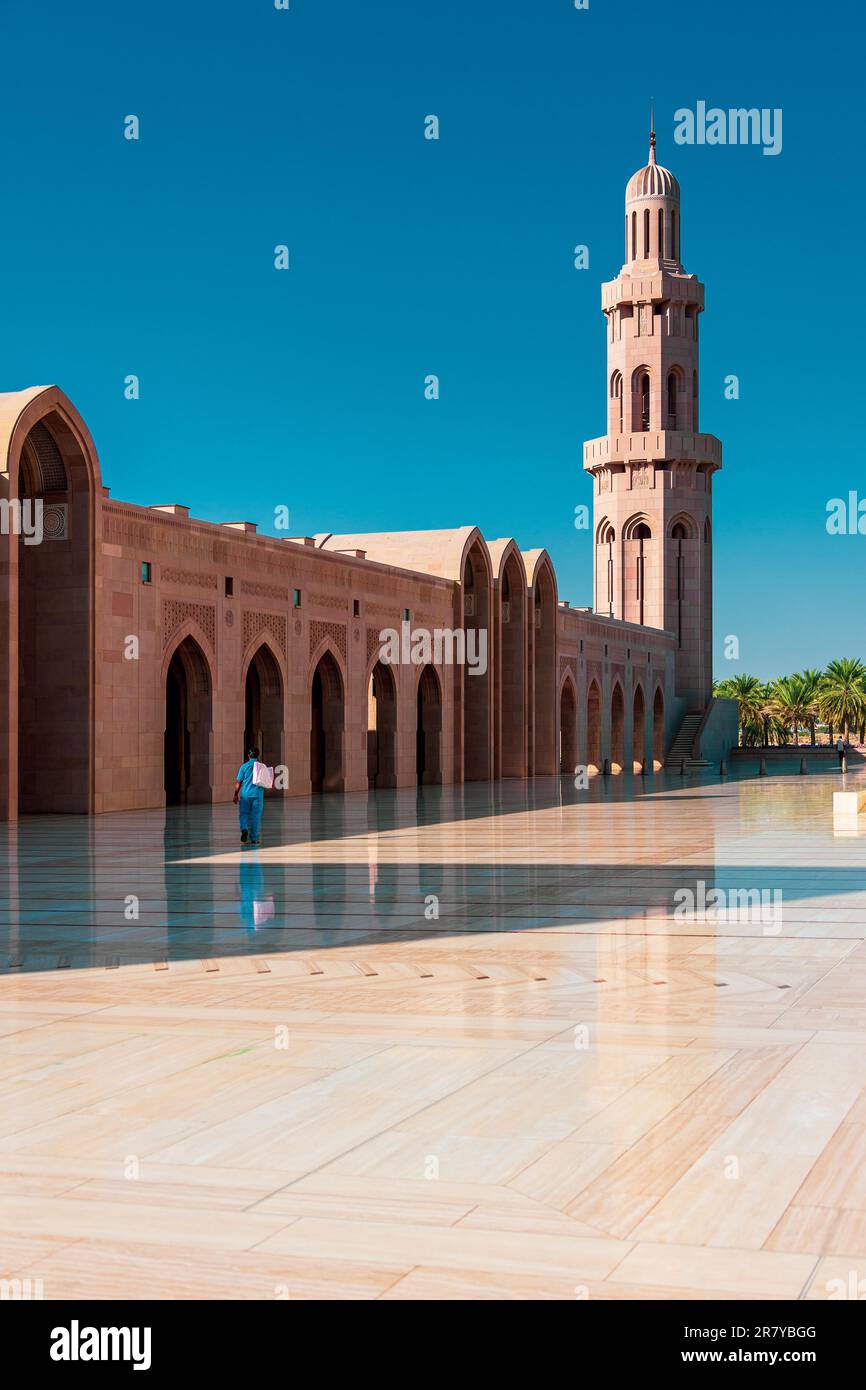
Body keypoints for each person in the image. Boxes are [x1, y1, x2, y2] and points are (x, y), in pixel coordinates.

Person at [234, 746, 264, 845]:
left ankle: (244, 829)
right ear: (258, 755)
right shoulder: (262, 766)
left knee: (243, 814)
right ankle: (254, 839)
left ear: (248, 756)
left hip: (245, 795)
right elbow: (268, 781)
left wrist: (235, 794)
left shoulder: (244, 766)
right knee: (256, 816)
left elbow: (238, 782)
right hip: (257, 795)